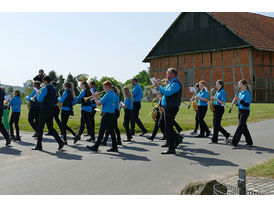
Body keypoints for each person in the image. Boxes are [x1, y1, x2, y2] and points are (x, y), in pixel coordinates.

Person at [153, 68, 183, 155]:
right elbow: (163, 93)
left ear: (172, 74)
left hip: (171, 107)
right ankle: (176, 139)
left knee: (168, 127)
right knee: (162, 124)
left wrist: (159, 86)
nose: (166, 74)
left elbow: (168, 93)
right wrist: (159, 86)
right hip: (166, 107)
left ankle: (171, 148)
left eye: (167, 73)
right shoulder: (170, 84)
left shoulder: (176, 84)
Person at [32, 76, 65, 151]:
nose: (43, 83)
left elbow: (40, 100)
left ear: (45, 81)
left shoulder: (44, 88)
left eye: (43, 82)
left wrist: (37, 93)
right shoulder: (54, 88)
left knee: (40, 128)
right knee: (50, 128)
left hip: (44, 109)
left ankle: (39, 145)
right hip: (51, 109)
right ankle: (60, 142)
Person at [87, 80, 118, 153]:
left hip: (106, 115)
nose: (103, 88)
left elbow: (98, 104)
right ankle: (114, 147)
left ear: (107, 86)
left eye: (104, 87)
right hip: (112, 114)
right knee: (111, 131)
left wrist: (94, 97)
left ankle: (96, 146)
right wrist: (98, 96)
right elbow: (104, 101)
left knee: (101, 131)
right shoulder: (113, 94)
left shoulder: (108, 94)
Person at [231, 79, 253, 148]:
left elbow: (246, 104)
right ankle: (249, 141)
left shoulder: (247, 93)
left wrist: (239, 99)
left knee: (240, 127)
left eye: (239, 84)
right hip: (240, 111)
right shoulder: (240, 93)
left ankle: (234, 142)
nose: (238, 85)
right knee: (244, 127)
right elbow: (239, 104)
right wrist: (235, 102)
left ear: (244, 85)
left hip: (245, 112)